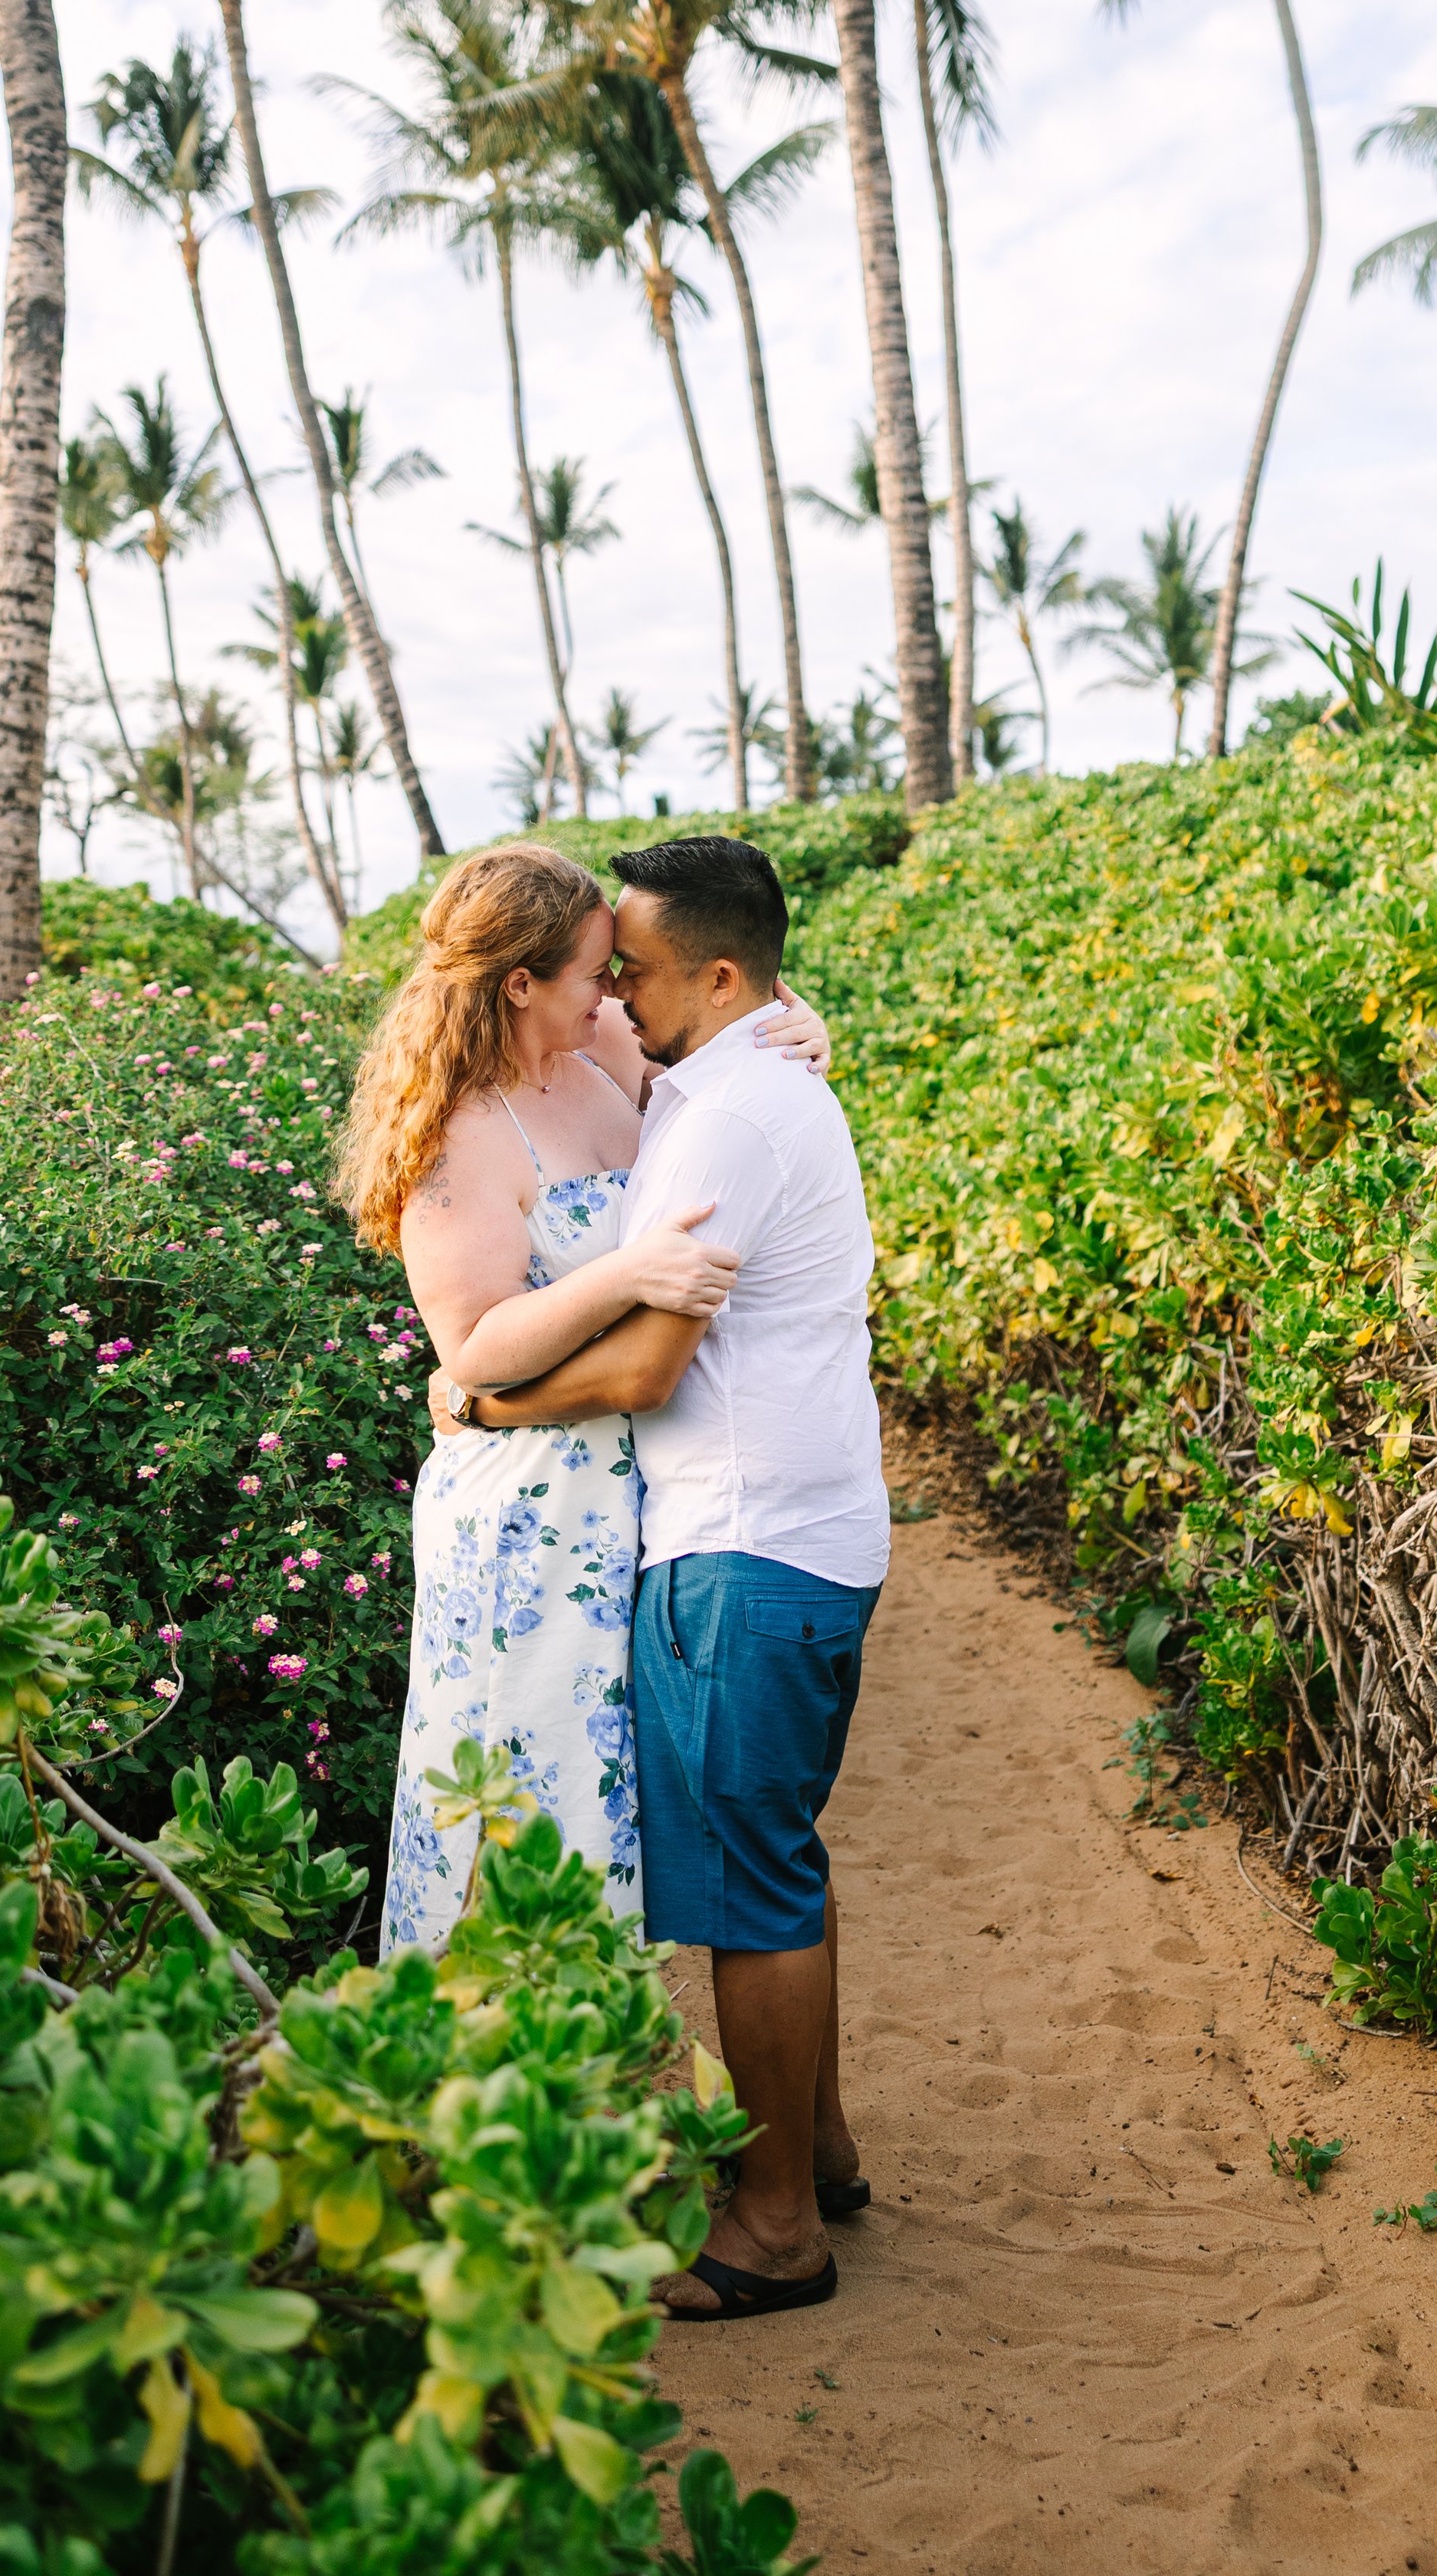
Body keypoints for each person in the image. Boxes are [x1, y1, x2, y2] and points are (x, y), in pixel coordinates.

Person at [435, 837, 888, 2321]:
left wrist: (484, 1407)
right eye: (596, 973)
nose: (614, 996)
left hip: (744, 1537)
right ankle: (811, 2158)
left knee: (748, 1888)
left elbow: (638, 1363)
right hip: (792, 1528)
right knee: (778, 1857)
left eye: (629, 970)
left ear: (710, 976)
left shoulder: (725, 1114)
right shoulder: (736, 1080)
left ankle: (770, 2233)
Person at [335, 842, 828, 1955]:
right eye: (596, 972)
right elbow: (472, 1345)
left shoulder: (603, 1045)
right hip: (526, 1514)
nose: (615, 991)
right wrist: (626, 1273)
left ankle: (596, 2066)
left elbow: (732, 994)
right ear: (522, 983)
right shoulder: (455, 1132)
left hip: (631, 1492)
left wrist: (805, 1027)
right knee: (528, 1786)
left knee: (605, 1796)